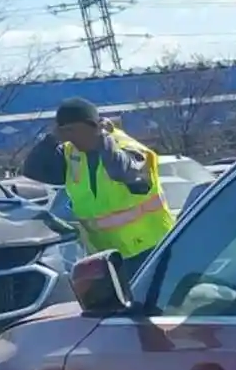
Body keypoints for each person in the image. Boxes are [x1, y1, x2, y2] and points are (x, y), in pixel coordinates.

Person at [19, 98, 175, 260]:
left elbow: (122, 171)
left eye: (73, 130)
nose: (69, 138)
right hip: (108, 255)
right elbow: (33, 170)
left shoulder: (127, 147)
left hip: (151, 247)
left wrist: (103, 138)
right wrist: (52, 138)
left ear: (92, 126)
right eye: (65, 131)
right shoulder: (72, 154)